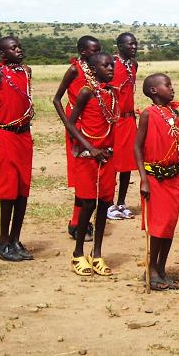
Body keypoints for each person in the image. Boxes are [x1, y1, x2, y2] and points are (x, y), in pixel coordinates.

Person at [65, 52, 119, 276]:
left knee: (105, 204)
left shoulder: (112, 94)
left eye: (112, 65)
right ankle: (78, 253)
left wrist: (105, 151)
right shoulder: (86, 92)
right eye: (105, 66)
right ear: (93, 69)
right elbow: (71, 124)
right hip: (87, 157)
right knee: (87, 204)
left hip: (106, 157)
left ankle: (96, 254)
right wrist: (91, 147)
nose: (110, 69)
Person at [0, 36, 35, 262]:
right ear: (3, 54)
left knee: (23, 191)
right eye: (13, 48)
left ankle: (15, 239)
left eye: (19, 47)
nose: (19, 50)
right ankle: (2, 241)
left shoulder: (26, 72)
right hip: (3, 136)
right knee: (8, 191)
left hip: (24, 137)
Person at [134, 73, 179, 290]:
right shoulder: (148, 114)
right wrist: (143, 179)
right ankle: (151, 269)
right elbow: (137, 147)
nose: (172, 89)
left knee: (170, 226)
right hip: (155, 178)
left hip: (174, 178)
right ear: (154, 90)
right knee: (159, 226)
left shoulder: (173, 111)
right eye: (168, 85)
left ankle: (161, 268)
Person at [53, 35, 100, 241]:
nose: (97, 54)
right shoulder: (74, 70)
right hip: (76, 127)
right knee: (81, 173)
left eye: (99, 50)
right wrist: (68, 124)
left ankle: (80, 220)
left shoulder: (97, 71)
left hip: (91, 125)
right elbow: (56, 99)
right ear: (82, 52)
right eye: (93, 50)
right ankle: (76, 222)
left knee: (92, 173)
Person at [107, 33, 138, 220]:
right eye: (129, 44)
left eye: (135, 44)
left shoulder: (133, 65)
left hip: (129, 119)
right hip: (114, 120)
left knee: (127, 163)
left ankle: (121, 202)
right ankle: (108, 203)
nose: (133, 47)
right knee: (113, 163)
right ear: (119, 45)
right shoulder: (111, 63)